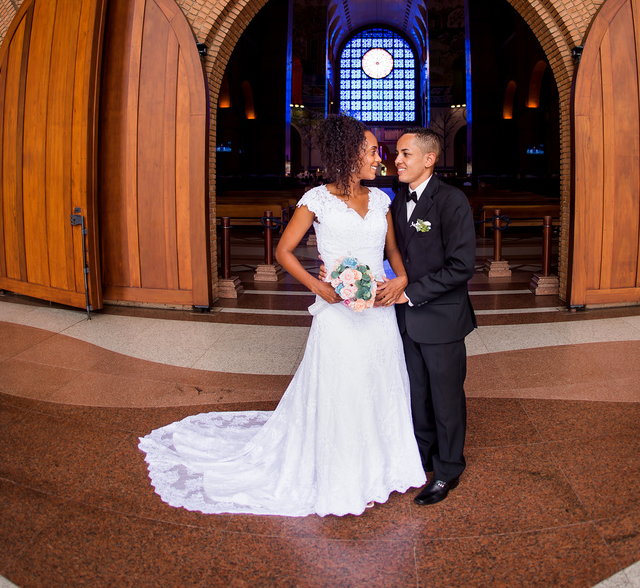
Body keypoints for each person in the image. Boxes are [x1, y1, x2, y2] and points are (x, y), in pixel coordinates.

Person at [138, 114, 425, 516]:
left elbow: (392, 251)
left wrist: (401, 278)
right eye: (372, 150)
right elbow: (283, 252)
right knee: (341, 385)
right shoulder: (317, 199)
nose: (380, 157)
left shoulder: (381, 200)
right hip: (336, 313)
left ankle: (383, 464)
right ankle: (338, 471)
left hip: (377, 310)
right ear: (349, 154)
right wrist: (319, 286)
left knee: (380, 380)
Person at [383, 128, 477, 506]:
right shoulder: (396, 200)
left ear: (429, 158)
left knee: (446, 398)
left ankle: (449, 469)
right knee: (417, 393)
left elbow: (461, 266)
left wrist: (409, 292)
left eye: (405, 154)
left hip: (441, 319)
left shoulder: (452, 201)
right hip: (406, 320)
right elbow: (390, 253)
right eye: (396, 154)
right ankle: (421, 458)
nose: (397, 161)